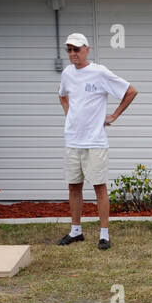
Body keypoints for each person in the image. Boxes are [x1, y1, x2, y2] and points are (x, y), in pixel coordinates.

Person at [58, 32, 137, 250]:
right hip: (73, 140)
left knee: (99, 187)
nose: (73, 53)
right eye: (69, 50)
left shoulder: (99, 72)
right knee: (74, 186)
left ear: (87, 50)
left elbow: (130, 91)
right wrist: (69, 114)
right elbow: (62, 95)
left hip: (95, 141)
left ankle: (104, 234)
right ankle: (76, 231)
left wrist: (113, 116)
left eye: (77, 49)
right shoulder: (66, 73)